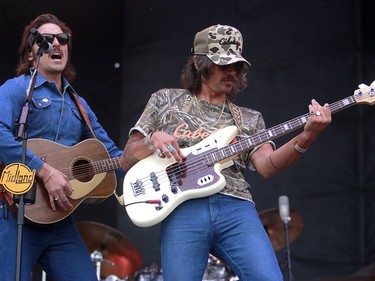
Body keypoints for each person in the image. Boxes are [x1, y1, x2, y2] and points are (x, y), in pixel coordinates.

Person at [120, 24, 332, 280]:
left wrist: (307, 136)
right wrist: (152, 140)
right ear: (199, 63)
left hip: (235, 207)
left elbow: (266, 165)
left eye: (237, 66)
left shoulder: (249, 119)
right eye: (223, 65)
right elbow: (126, 158)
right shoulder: (165, 100)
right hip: (183, 208)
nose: (232, 72)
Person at [0, 14, 124, 281]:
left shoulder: (79, 104)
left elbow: (113, 155)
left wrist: (146, 152)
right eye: (46, 40)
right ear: (32, 54)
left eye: (62, 38)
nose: (56, 43)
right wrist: (44, 171)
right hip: (15, 214)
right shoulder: (16, 89)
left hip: (60, 221)